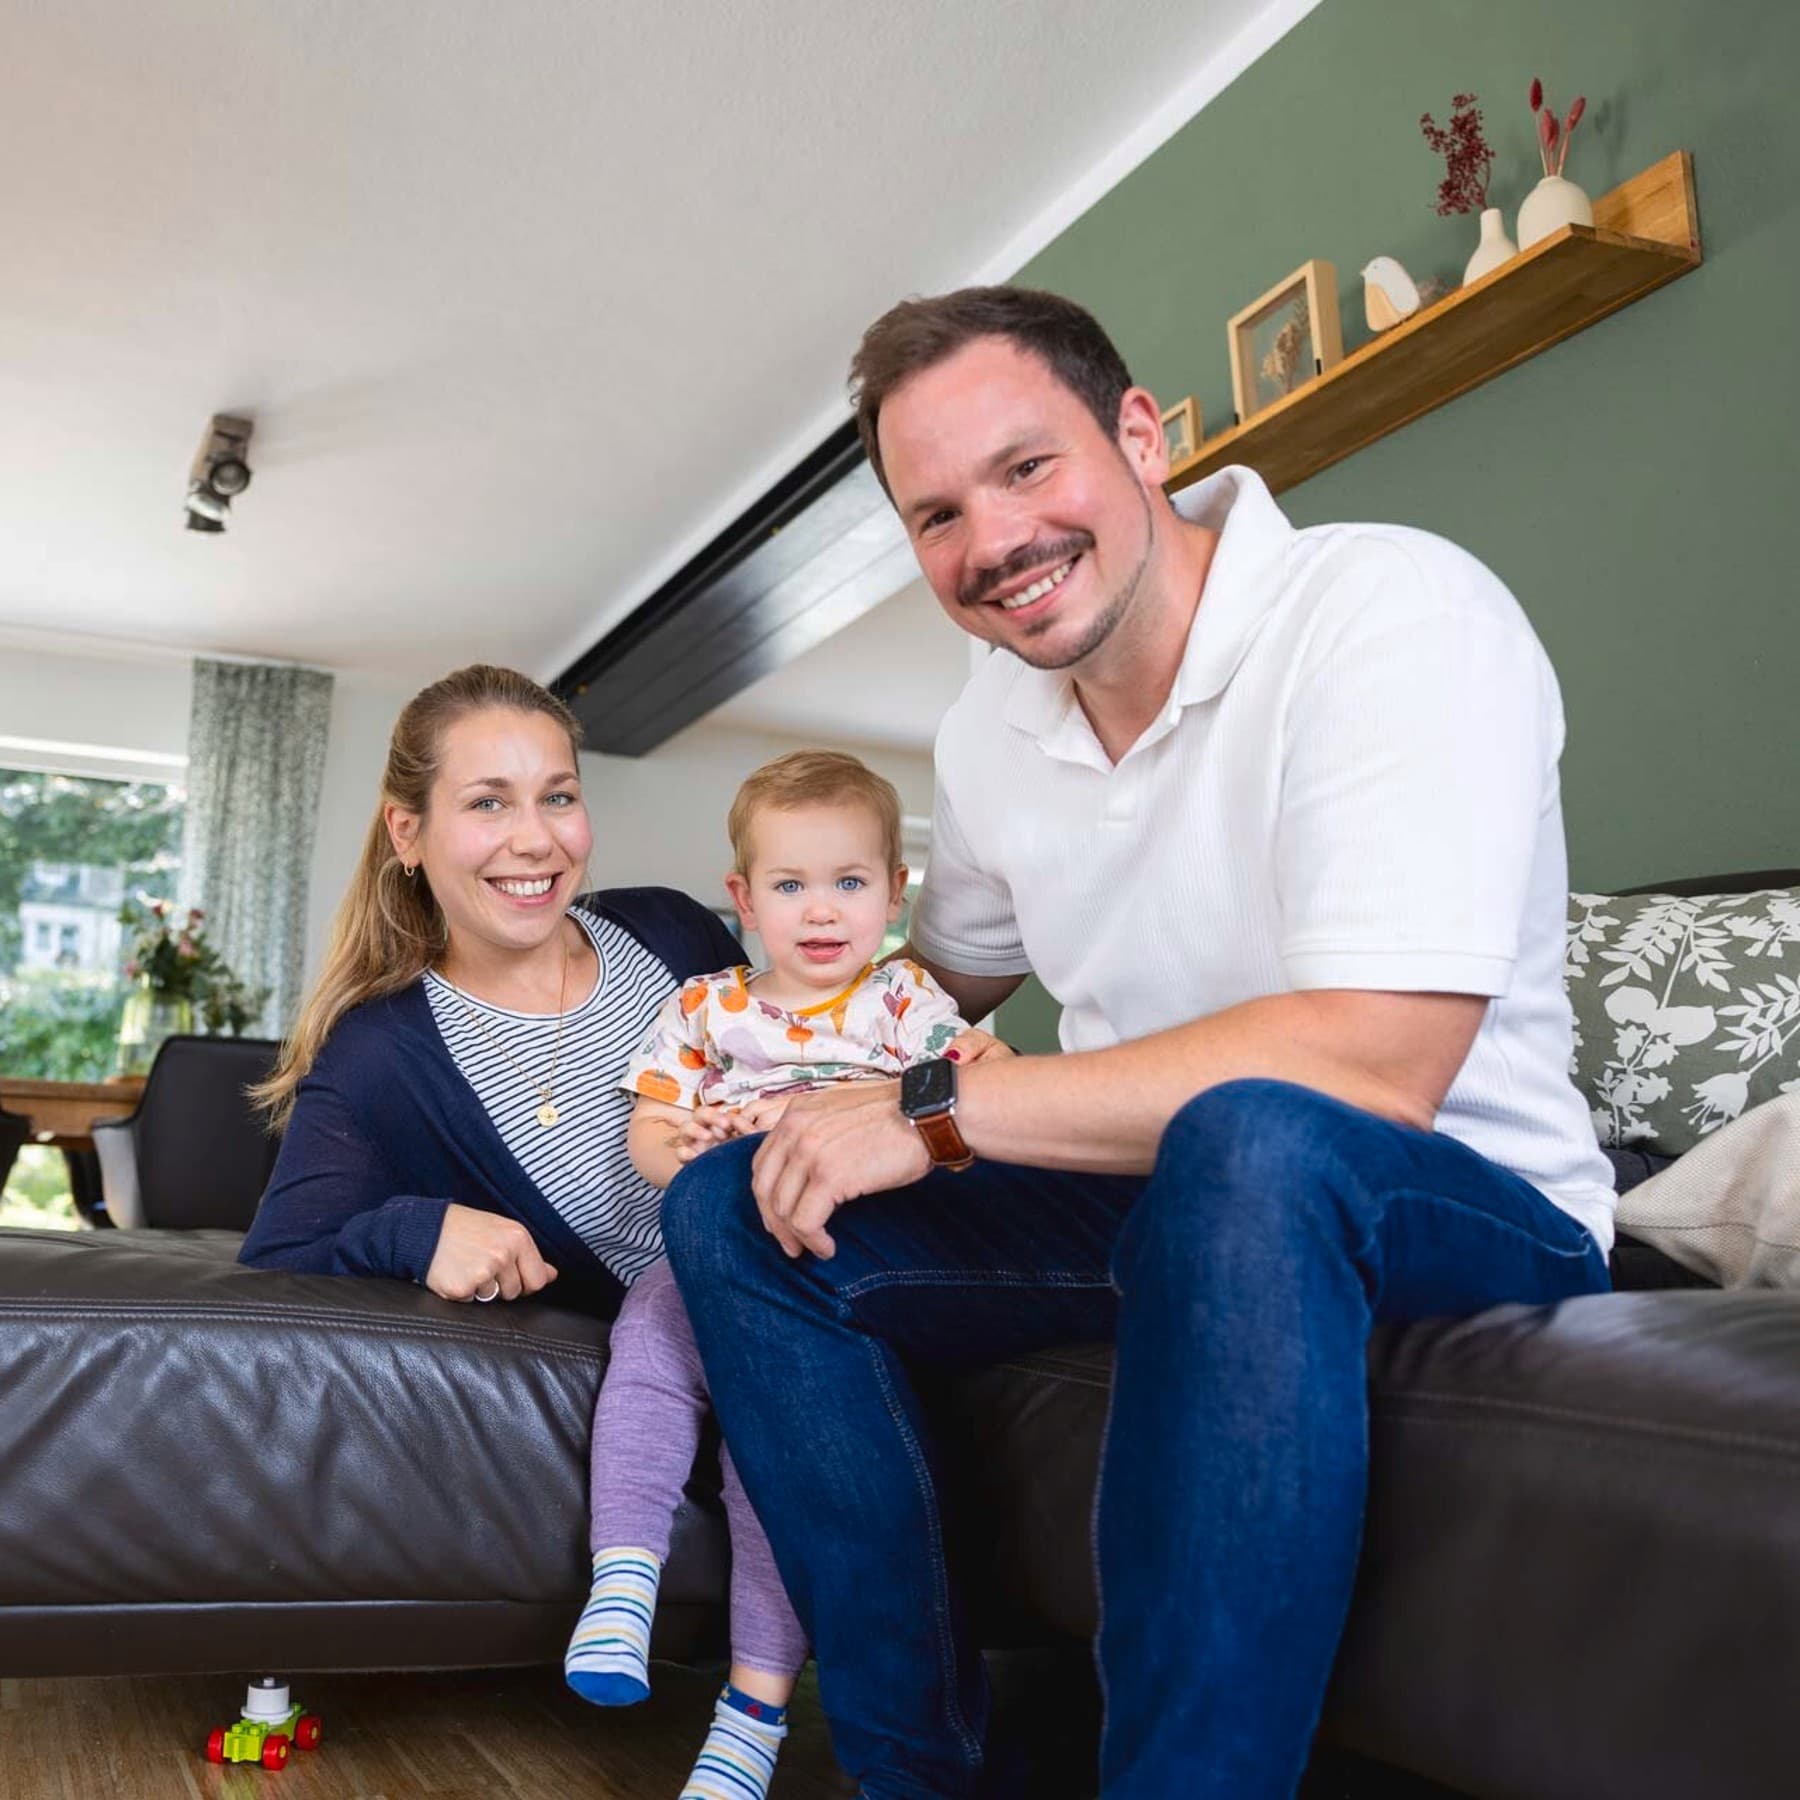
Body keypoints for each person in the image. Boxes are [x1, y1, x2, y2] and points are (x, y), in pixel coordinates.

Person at [660, 288, 1618, 1800]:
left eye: (1028, 469)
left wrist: (938, 1118)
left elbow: (1374, 1062)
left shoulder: (1392, 615)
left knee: (1249, 1138)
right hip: (1156, 1202)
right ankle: (921, 1771)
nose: (992, 542)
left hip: (1450, 1193)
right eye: (938, 515)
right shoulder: (989, 728)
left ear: (1141, 435)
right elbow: (942, 986)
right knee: (738, 1206)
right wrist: (758, 1065)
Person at [239, 663, 778, 1799]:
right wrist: (416, 1225)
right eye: (487, 802)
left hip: (805, 1290)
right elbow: (282, 1253)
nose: (535, 839)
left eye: (558, 795)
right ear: (408, 831)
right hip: (682, 1353)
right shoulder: (382, 1051)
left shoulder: (674, 932)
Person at [565, 748, 996, 1800]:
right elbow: (650, 1135)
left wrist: (974, 1084)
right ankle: (623, 1582)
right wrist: (694, 1144)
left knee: (777, 1450)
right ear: (743, 898)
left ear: (896, 895)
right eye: (790, 885)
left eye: (850, 883)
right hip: (718, 1245)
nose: (820, 911)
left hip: (836, 1259)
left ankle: (751, 1716)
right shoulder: (708, 1008)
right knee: (648, 1345)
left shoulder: (905, 1003)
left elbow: (967, 1118)